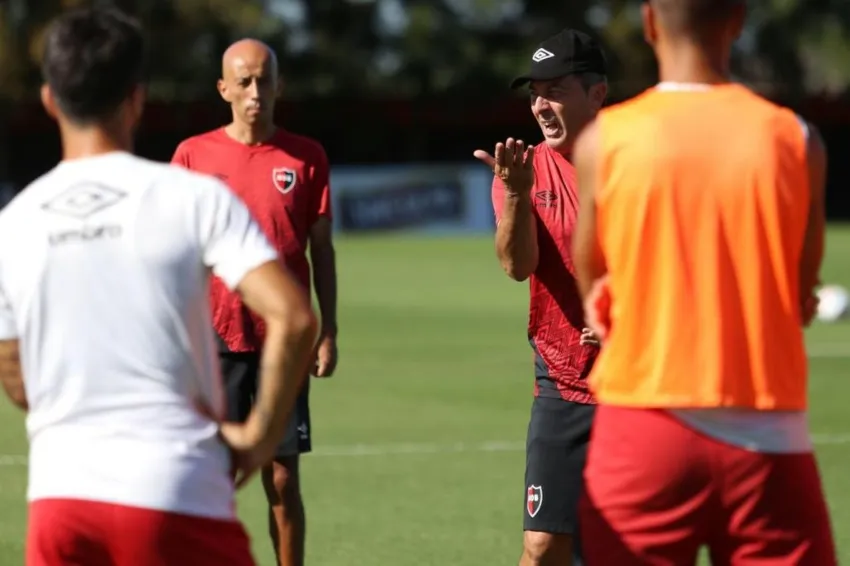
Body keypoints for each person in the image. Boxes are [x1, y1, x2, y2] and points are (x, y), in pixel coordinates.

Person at [0, 7, 318, 566]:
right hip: (174, 490)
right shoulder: (191, 197)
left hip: (60, 500)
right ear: (137, 97)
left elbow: (14, 371)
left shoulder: (15, 223)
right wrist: (259, 436)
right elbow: (293, 316)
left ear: (50, 99)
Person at [571, 0, 837, 564]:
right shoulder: (796, 138)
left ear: (648, 22)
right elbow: (800, 287)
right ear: (737, 21)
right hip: (766, 429)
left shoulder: (604, 139)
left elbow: (593, 280)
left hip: (642, 422)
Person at [171, 38, 338, 566]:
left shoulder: (306, 157)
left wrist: (328, 328)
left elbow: (321, 250)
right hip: (212, 339)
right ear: (223, 88)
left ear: (280, 85)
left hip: (282, 342)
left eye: (264, 79)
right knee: (210, 479)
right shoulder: (192, 155)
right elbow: (172, 252)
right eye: (243, 81)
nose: (255, 91)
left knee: (283, 478)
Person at [473, 29, 608, 566]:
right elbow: (516, 266)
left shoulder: (640, 164)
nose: (540, 105)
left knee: (625, 545)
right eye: (534, 93)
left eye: (555, 90)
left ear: (597, 94)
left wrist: (626, 316)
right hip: (564, 381)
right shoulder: (521, 168)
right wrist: (515, 195)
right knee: (545, 544)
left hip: (642, 381)